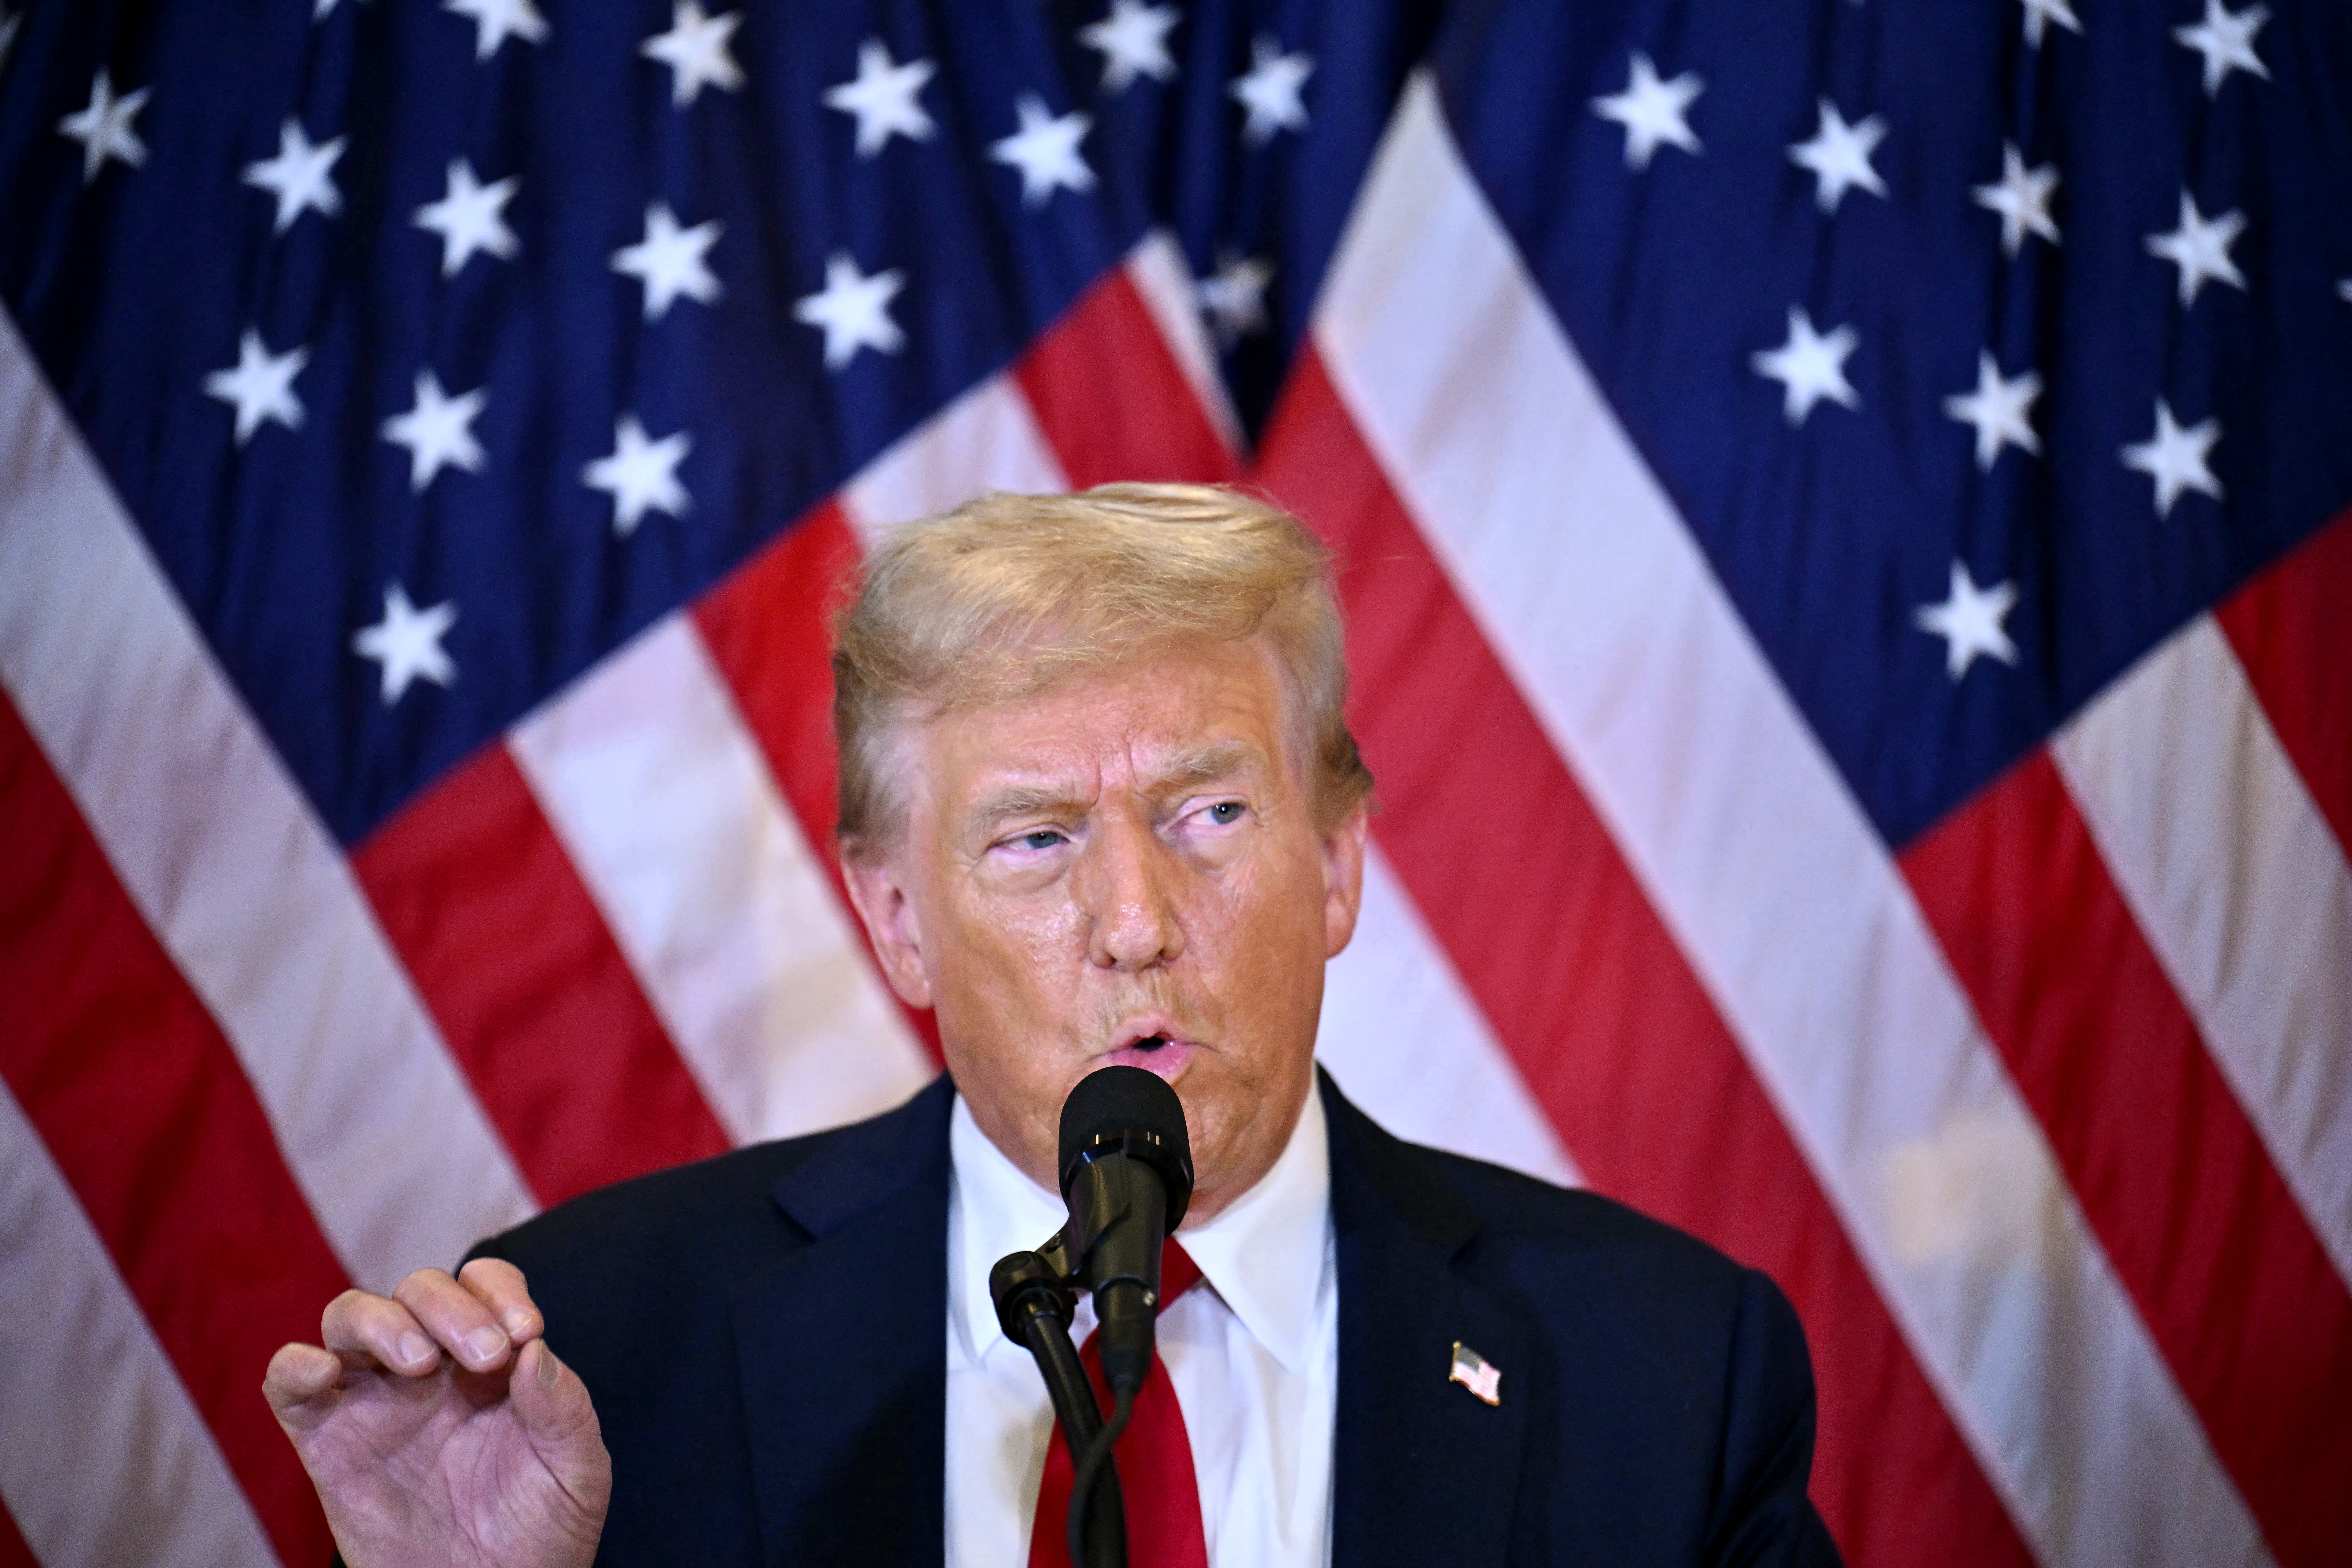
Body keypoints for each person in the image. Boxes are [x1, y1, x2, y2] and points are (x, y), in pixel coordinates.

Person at [264, 484, 1841, 1568]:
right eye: (1034, 840)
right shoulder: (600, 1355)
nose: (1137, 921)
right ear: (894, 922)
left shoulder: (1665, 1376)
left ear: (1339, 864)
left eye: (1210, 812)